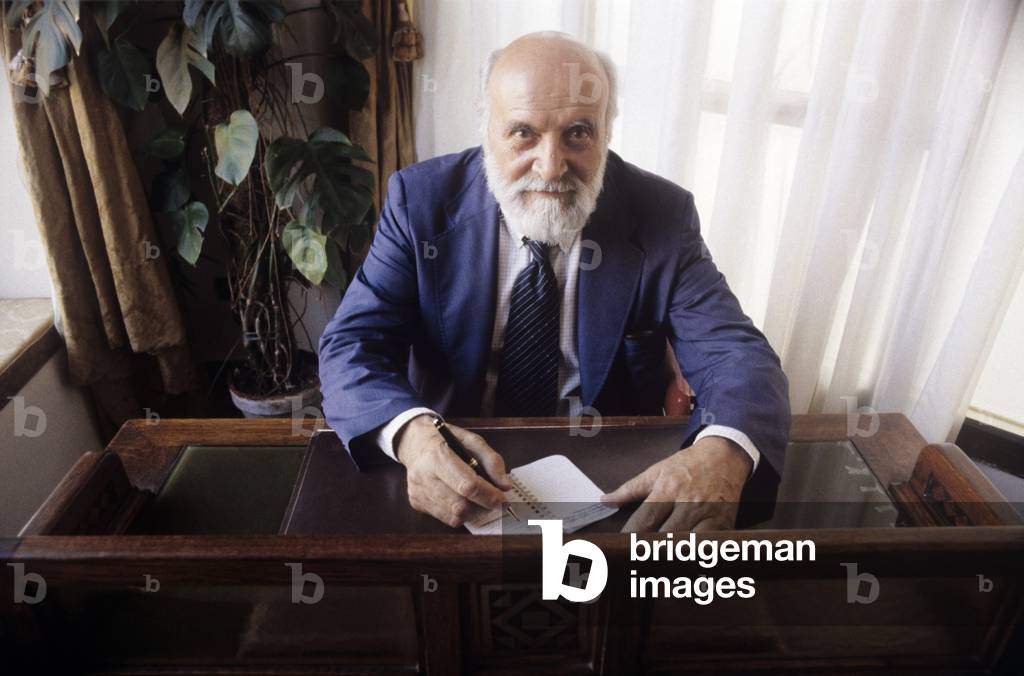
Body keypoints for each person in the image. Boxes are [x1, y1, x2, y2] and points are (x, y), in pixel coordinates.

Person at [318, 32, 791, 532]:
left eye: (578, 133)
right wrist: (412, 435)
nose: (551, 166)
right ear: (487, 130)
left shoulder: (663, 214)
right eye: (523, 132)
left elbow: (736, 352)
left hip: (608, 474)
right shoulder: (420, 201)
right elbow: (353, 344)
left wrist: (725, 447)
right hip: (452, 455)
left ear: (607, 132)